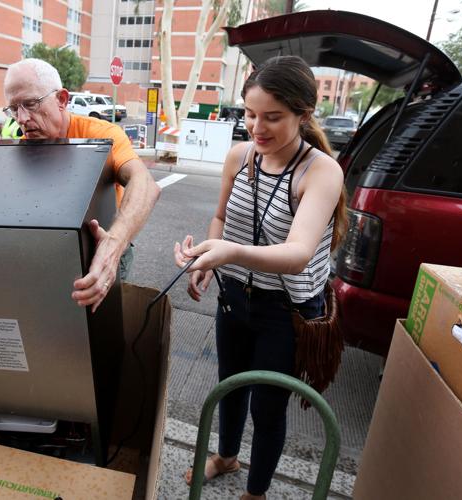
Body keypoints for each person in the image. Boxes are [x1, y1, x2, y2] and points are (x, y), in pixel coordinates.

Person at [173, 56, 346, 500]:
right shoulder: (239, 156)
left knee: (268, 406)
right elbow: (219, 217)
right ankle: (227, 455)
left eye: (273, 117)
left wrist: (229, 252)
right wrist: (207, 260)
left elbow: (297, 254)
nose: (257, 128)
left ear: (304, 115)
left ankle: (256, 492)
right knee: (229, 386)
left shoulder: (320, 171)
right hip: (234, 298)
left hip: (285, 311)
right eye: (250, 114)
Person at [3, 58, 160, 312]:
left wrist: (114, 245)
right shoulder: (21, 141)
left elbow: (145, 184)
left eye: (30, 104)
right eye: (13, 108)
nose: (21, 119)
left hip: (102, 248)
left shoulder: (101, 135)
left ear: (62, 100)